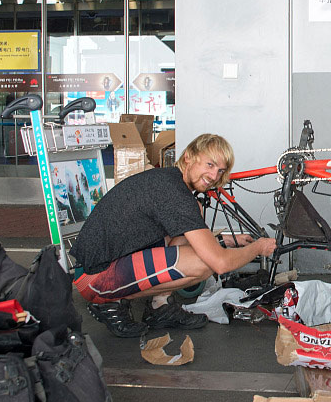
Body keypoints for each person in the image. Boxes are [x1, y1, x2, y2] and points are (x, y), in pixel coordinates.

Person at [70, 133, 277, 337]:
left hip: (100, 264)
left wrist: (227, 240)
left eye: (220, 170)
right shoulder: (175, 194)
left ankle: (160, 307)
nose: (214, 176)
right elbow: (219, 263)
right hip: (94, 277)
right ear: (188, 157)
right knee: (205, 264)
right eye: (210, 165)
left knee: (194, 224)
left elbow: (184, 240)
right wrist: (258, 247)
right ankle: (109, 302)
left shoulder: (168, 181)